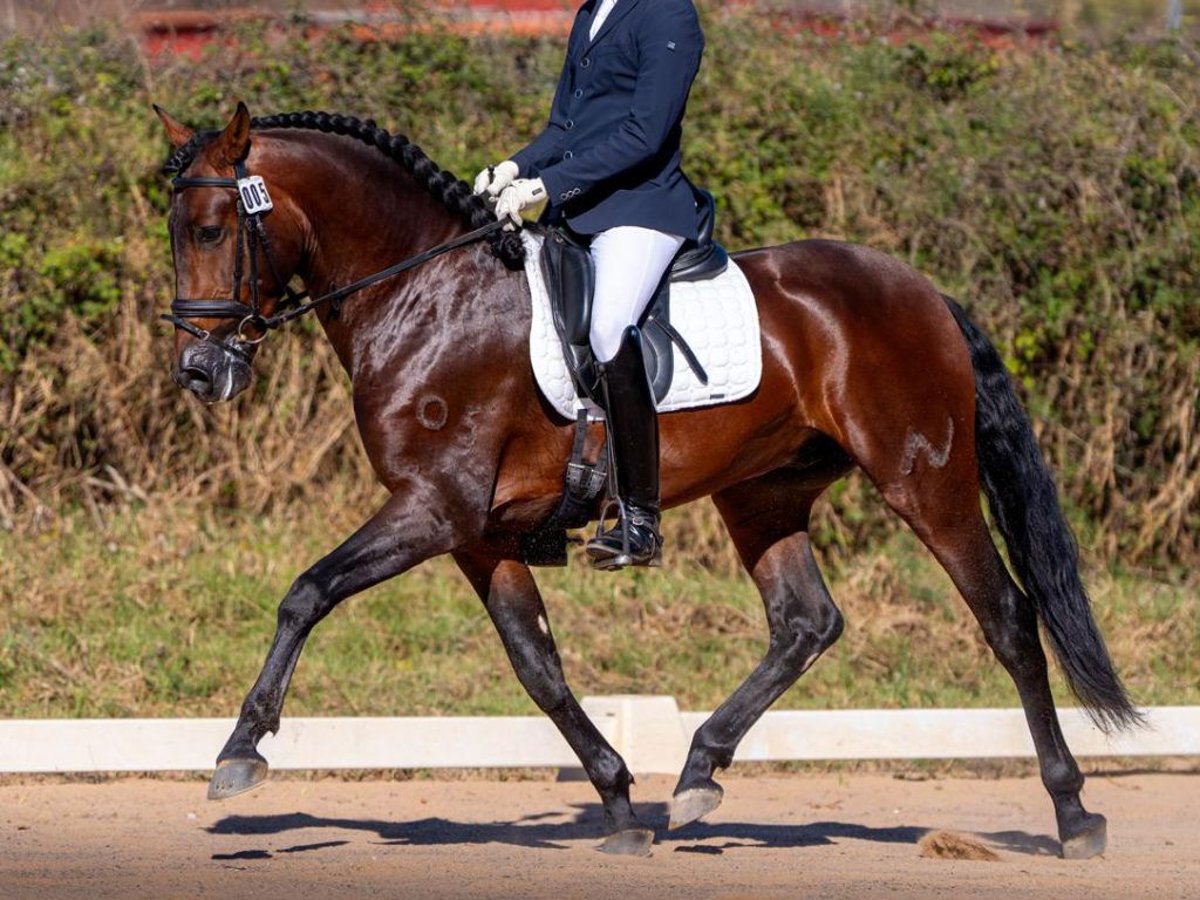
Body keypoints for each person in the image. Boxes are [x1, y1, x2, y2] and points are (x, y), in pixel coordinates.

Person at [474, 0, 705, 570]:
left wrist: (548, 184)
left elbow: (645, 134)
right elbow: (565, 127)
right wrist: (515, 166)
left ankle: (640, 518)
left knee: (606, 333)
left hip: (639, 210)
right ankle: (551, 507)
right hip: (577, 211)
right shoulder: (591, 11)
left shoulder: (669, 15)